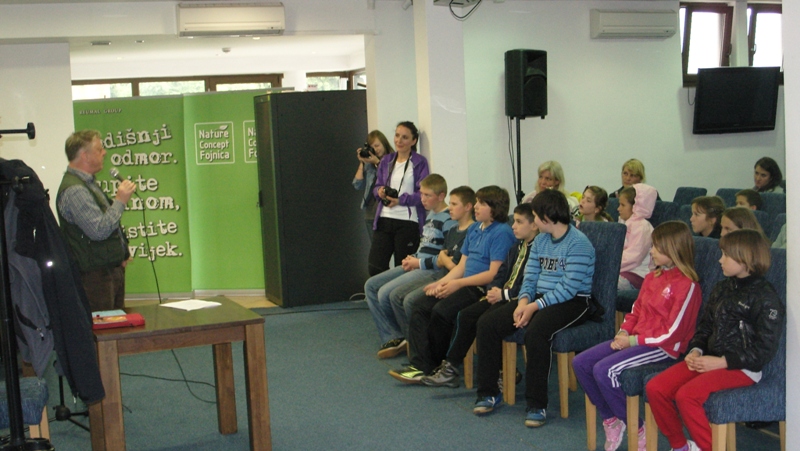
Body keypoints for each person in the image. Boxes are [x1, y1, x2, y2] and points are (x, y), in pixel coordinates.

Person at [646, 229, 784, 451]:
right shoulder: (722, 287)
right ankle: (680, 446)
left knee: (687, 396)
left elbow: (764, 350)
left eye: (726, 255)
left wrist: (722, 362)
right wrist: (696, 350)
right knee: (656, 388)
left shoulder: (765, 298)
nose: (720, 260)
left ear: (745, 258)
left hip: (741, 368)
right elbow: (705, 327)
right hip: (709, 360)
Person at [573, 221, 703, 451]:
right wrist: (624, 331)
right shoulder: (653, 278)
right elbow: (636, 310)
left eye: (657, 248)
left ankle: (637, 427)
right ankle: (611, 419)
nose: (652, 251)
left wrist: (632, 340)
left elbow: (673, 332)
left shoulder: (688, 285)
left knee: (604, 370)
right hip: (636, 339)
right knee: (581, 363)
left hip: (662, 348)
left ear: (674, 250)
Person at [471, 189, 595, 428]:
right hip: (539, 298)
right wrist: (523, 302)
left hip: (573, 301)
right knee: (487, 323)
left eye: (536, 216)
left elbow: (569, 288)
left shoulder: (579, 243)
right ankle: (488, 392)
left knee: (536, 332)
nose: (534, 220)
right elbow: (530, 277)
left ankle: (537, 404)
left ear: (547, 217)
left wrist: (533, 307)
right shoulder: (540, 241)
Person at [389, 186, 516, 382]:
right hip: (463, 282)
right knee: (420, 306)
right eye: (476, 202)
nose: (476, 206)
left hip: (479, 288)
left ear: (495, 207)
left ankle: (438, 365)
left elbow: (493, 274)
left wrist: (457, 284)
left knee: (442, 311)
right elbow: (462, 266)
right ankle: (420, 364)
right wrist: (441, 283)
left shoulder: (502, 232)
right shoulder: (475, 228)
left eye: (482, 203)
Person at [420, 203, 538, 388]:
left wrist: (503, 294)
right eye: (514, 221)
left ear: (534, 225)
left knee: (485, 321)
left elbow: (530, 283)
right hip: (501, 295)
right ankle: (450, 368)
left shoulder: (537, 248)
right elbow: (501, 273)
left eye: (519, 222)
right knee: (465, 315)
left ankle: (503, 371)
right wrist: (494, 289)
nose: (513, 226)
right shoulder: (517, 246)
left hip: (521, 300)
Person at [365, 174, 454, 358]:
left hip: (430, 269)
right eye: (421, 194)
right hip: (418, 263)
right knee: (371, 286)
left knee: (387, 293)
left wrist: (418, 262)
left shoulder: (448, 220)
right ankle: (394, 336)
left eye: (427, 195)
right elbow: (425, 246)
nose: (422, 199)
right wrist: (412, 258)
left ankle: (412, 341)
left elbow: (444, 257)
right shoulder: (431, 215)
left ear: (441, 196)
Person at [56, 130, 136, 312]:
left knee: (117, 324)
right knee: (103, 327)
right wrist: (120, 201)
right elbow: (99, 230)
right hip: (95, 278)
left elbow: (108, 223)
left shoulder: (87, 183)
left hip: (107, 271)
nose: (104, 152)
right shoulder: (75, 190)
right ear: (85, 156)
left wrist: (121, 254)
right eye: (99, 149)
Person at [388, 186, 476, 343]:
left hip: (452, 280)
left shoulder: (472, 232)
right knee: (396, 295)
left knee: (411, 301)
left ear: (468, 207)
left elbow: (455, 266)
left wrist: (443, 260)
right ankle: (413, 344)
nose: (450, 208)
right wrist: (439, 259)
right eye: (450, 203)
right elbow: (441, 257)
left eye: (454, 204)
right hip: (442, 275)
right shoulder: (453, 230)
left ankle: (423, 346)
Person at [368, 121, 430, 276]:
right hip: (384, 218)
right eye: (397, 135)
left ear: (413, 141)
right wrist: (380, 191)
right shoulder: (386, 160)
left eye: (405, 137)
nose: (399, 141)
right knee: (375, 267)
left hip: (407, 222)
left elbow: (423, 194)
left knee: (402, 269)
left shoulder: (420, 162)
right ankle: (381, 292)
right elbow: (376, 187)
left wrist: (401, 200)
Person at [352, 130, 393, 239]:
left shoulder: (392, 160)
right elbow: (357, 185)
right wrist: (362, 162)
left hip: (387, 212)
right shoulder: (369, 163)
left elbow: (389, 180)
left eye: (377, 145)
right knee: (376, 248)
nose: (375, 149)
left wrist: (377, 162)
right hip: (371, 213)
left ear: (384, 143)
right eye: (372, 147)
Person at [617, 184, 657, 291]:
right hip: (622, 270)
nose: (618, 208)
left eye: (623, 205)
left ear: (636, 206)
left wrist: (611, 264)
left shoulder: (642, 227)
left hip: (638, 275)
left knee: (603, 282)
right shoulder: (624, 223)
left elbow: (634, 257)